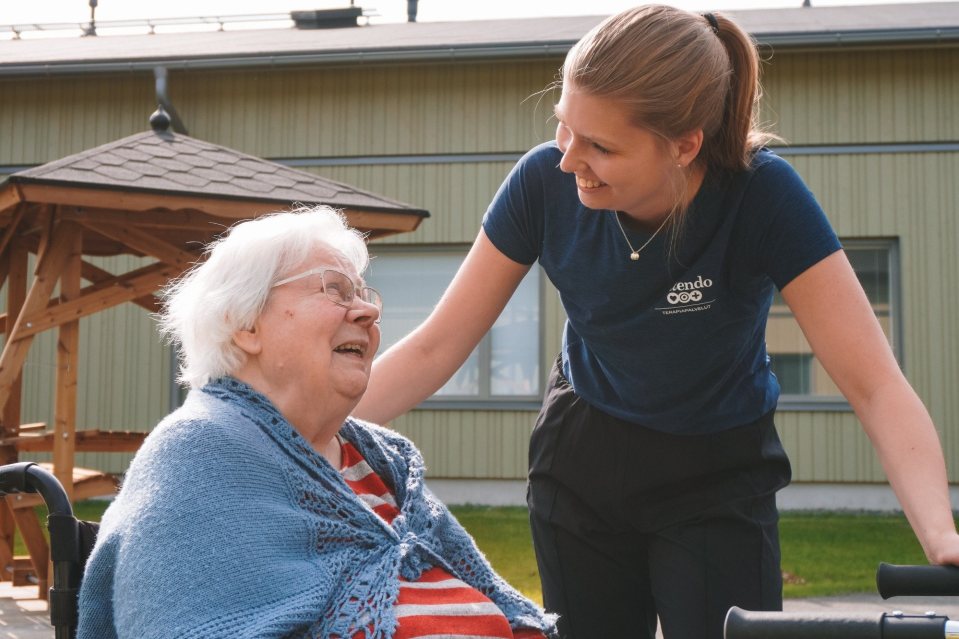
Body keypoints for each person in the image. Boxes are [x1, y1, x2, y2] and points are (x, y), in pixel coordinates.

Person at [353, 5, 959, 639]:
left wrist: (941, 535)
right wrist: (291, 434)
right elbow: (436, 347)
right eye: (565, 128)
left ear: (684, 144)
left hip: (717, 471)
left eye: (600, 146)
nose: (568, 160)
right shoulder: (543, 184)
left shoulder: (762, 198)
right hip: (583, 461)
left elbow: (874, 384)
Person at [76, 206, 556, 639]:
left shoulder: (381, 460)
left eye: (364, 294)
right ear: (245, 324)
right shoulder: (200, 451)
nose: (368, 312)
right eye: (335, 290)